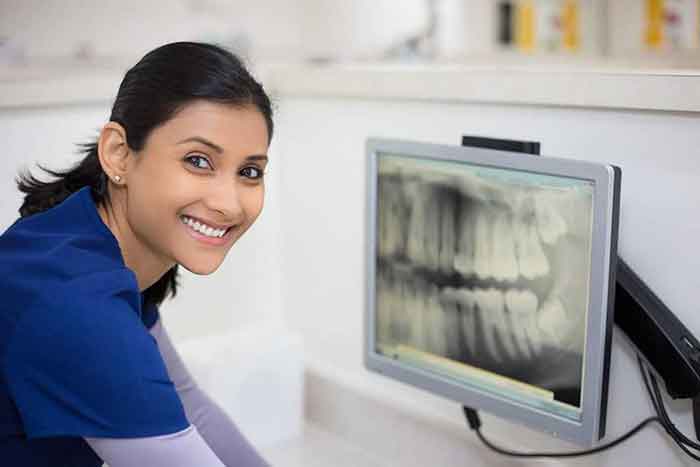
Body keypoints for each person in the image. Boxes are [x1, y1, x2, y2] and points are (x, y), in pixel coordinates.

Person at [0, 42, 273, 467]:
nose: (229, 203)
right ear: (118, 154)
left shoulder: (84, 238)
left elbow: (190, 408)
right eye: (198, 160)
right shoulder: (78, 305)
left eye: (249, 172)